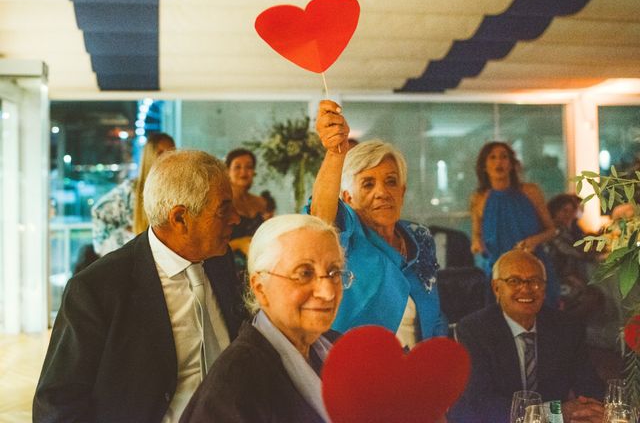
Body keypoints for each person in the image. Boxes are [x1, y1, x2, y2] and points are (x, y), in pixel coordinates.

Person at [34, 150, 247, 423]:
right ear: (180, 218)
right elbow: (56, 403)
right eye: (223, 208)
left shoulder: (219, 260)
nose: (236, 218)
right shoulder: (97, 289)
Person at [180, 214, 351, 422]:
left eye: (333, 272)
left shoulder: (339, 348)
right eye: (304, 273)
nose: (327, 292)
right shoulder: (235, 385)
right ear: (261, 288)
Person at [308, 100, 447, 348]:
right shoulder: (347, 236)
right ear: (348, 198)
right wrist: (335, 153)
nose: (382, 193)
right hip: (359, 368)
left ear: (402, 192)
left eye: (391, 181)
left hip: (418, 368)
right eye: (368, 184)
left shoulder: (420, 237)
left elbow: (434, 314)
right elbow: (320, 221)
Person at [448, 250, 604, 423]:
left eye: (535, 281)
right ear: (496, 288)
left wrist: (596, 408)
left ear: (544, 288)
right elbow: (481, 402)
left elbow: (589, 385)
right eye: (514, 281)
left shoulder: (567, 327)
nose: (526, 289)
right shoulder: (472, 330)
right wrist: (555, 414)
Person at [470, 141, 560, 307]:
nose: (499, 162)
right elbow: (476, 235)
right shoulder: (479, 198)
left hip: (533, 266)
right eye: (493, 157)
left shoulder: (530, 191)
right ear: (484, 166)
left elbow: (552, 230)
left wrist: (533, 241)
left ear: (511, 164)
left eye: (504, 157)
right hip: (499, 271)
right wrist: (477, 245)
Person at [91, 132, 175, 257]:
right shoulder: (132, 190)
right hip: (137, 263)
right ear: (150, 157)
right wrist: (121, 242)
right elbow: (99, 212)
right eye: (160, 153)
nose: (167, 158)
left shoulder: (176, 189)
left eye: (171, 152)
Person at [225, 148, 268, 263]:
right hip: (228, 264)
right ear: (227, 171)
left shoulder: (261, 202)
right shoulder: (222, 203)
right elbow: (210, 245)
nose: (243, 172)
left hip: (258, 262)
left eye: (249, 167)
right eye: (237, 167)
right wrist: (239, 244)